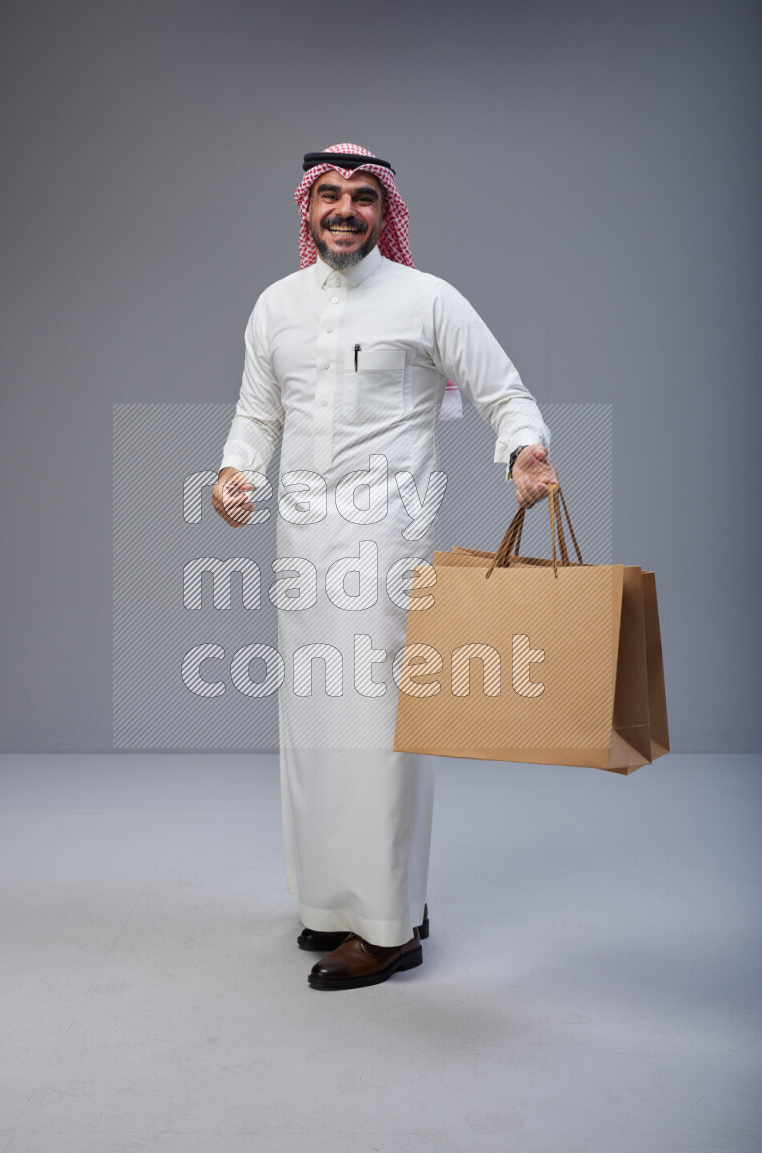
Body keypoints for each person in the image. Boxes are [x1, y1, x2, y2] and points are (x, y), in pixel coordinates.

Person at [212, 143, 557, 990]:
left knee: (379, 731)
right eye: (328, 195)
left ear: (384, 210)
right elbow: (258, 414)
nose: (344, 210)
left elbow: (501, 390)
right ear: (306, 207)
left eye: (363, 197)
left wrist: (525, 450)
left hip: (386, 545)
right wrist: (235, 474)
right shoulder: (276, 307)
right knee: (314, 726)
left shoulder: (426, 299)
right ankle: (339, 904)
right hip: (301, 544)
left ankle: (390, 926)